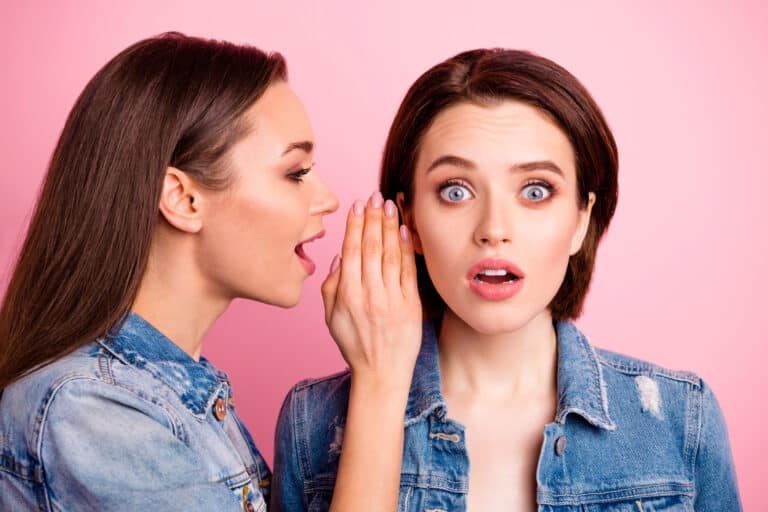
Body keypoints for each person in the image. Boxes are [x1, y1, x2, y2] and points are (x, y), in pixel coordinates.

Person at [272, 48, 742, 511]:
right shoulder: (312, 425)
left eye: (536, 191)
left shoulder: (681, 419)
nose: (494, 229)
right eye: (455, 191)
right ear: (409, 221)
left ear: (581, 219)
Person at [0, 32, 421, 511]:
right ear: (183, 198)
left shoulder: (175, 395)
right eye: (295, 172)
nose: (327, 199)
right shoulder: (93, 410)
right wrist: (380, 380)